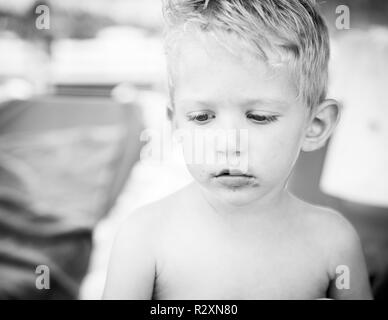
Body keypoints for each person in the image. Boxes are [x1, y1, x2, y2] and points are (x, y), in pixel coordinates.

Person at [103, 0, 372, 299]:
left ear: (316, 125)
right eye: (202, 118)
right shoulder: (144, 238)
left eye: (259, 117)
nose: (229, 145)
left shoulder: (333, 242)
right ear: (176, 123)